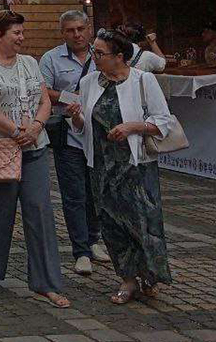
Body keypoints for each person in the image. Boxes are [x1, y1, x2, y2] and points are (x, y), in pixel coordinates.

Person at [0, 11, 69, 308]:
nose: (22, 38)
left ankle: (46, 282)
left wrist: (36, 127)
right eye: (17, 33)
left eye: (22, 33)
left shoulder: (29, 64)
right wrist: (13, 130)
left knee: (39, 210)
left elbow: (44, 100)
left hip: (34, 146)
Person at [70, 28, 175, 303]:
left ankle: (150, 276)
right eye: (94, 51)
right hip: (102, 166)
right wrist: (77, 118)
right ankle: (127, 278)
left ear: (120, 56)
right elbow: (83, 128)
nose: (94, 57)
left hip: (135, 164)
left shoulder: (143, 80)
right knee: (112, 224)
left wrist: (132, 127)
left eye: (100, 53)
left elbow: (163, 121)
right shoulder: (90, 81)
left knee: (145, 223)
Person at [39, 10, 110, 276]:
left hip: (98, 135)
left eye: (81, 28)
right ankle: (80, 250)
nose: (77, 34)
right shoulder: (51, 59)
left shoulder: (102, 54)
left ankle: (94, 240)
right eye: (70, 30)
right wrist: (72, 99)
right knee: (74, 194)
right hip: (67, 135)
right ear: (63, 33)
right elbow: (42, 90)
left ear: (89, 28)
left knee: (96, 192)